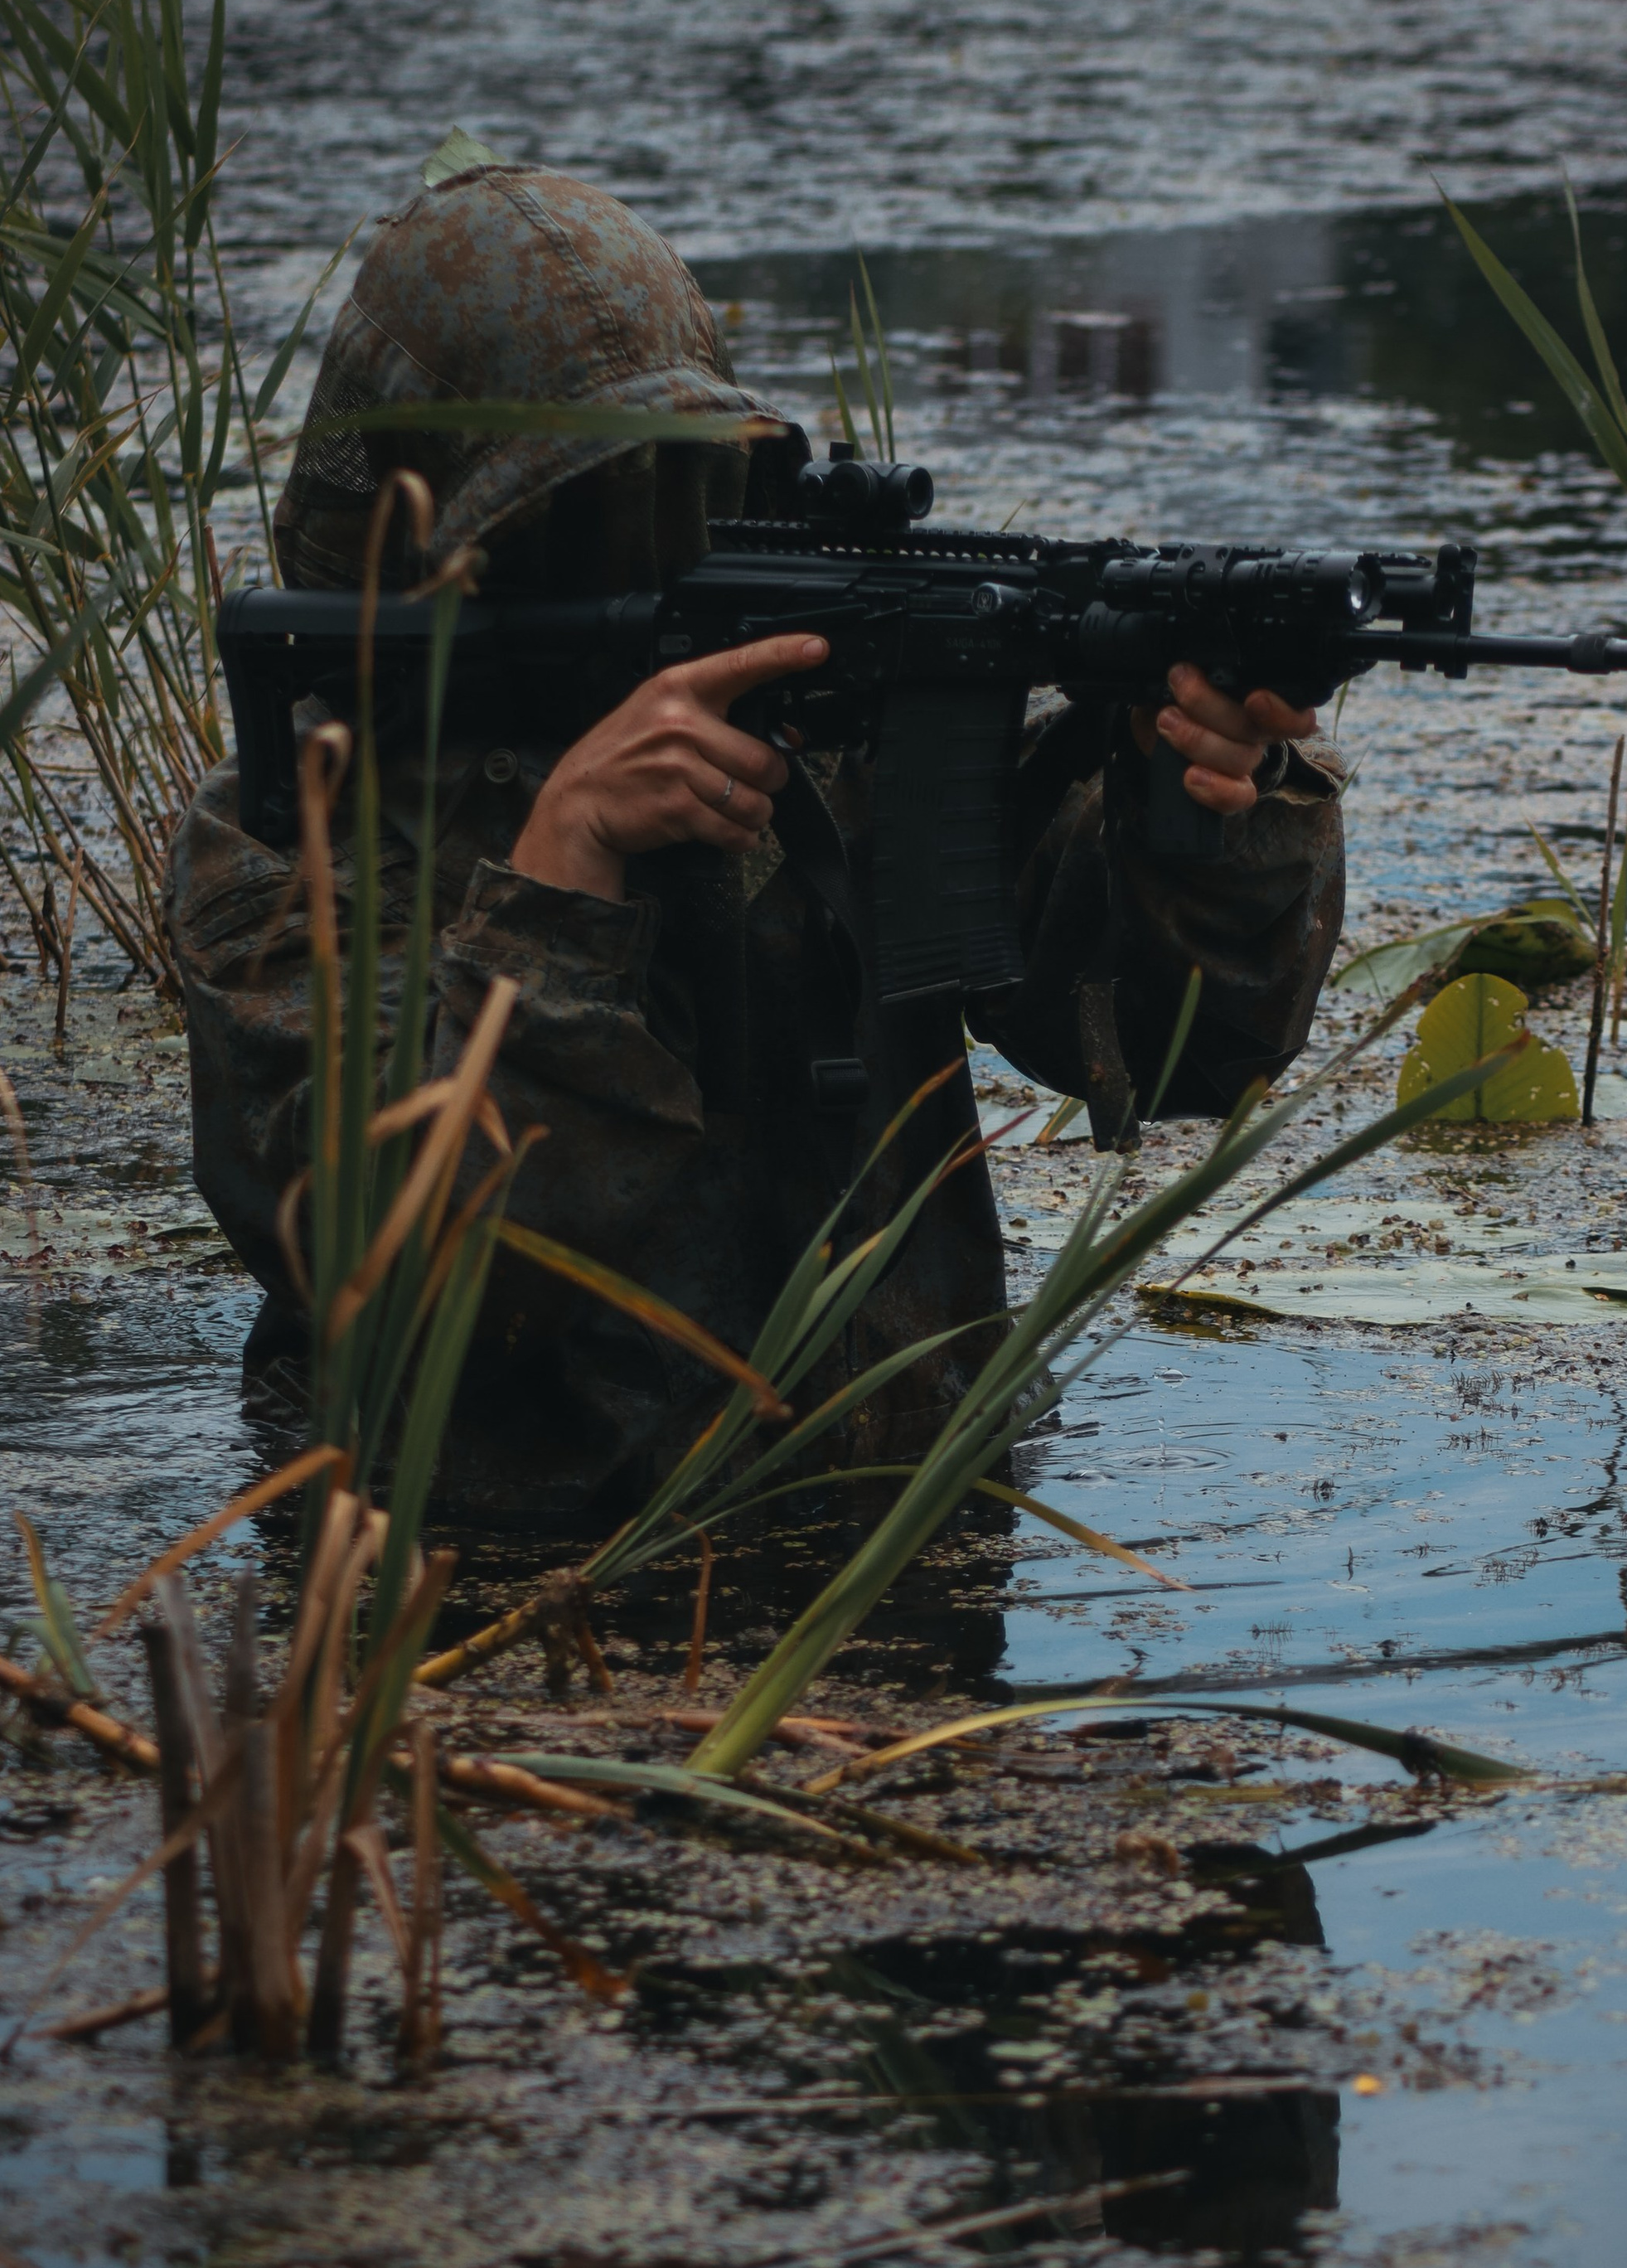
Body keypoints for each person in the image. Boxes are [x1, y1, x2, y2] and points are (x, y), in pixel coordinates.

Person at [168, 164, 1345, 1520]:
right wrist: (561, 877)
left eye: (660, 488)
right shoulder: (289, 839)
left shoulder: (836, 739)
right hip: (489, 1590)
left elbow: (1178, 1049)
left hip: (904, 1548)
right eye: (567, 509)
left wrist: (1202, 809)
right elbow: (424, 1288)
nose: (630, 543)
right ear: (423, 526)